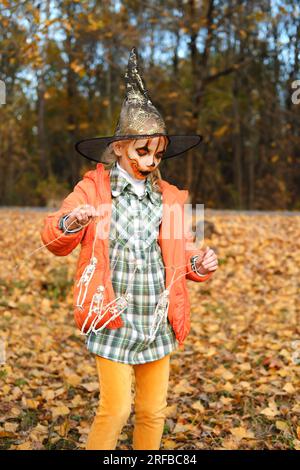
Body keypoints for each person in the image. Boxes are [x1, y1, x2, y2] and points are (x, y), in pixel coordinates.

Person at [40, 47, 218, 450]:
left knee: (153, 411)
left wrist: (200, 263)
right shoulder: (94, 189)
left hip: (156, 319)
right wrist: (71, 224)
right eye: (143, 150)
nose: (152, 160)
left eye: (158, 152)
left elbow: (180, 258)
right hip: (113, 317)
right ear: (120, 146)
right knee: (116, 409)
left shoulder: (169, 198)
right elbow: (53, 238)